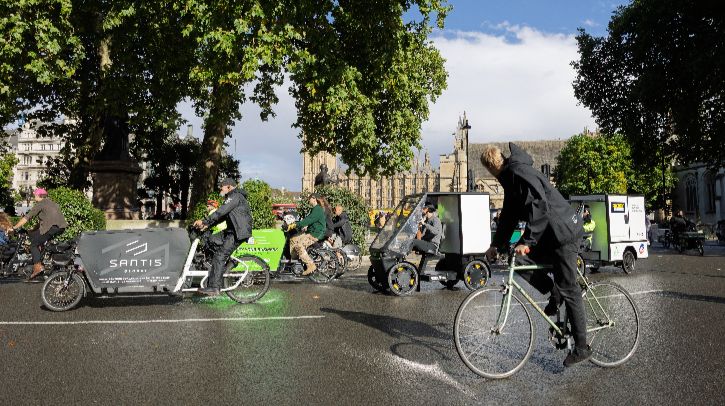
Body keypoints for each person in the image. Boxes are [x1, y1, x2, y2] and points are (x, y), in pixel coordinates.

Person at [481, 143, 590, 367]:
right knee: (519, 259)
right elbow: (509, 217)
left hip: (563, 233)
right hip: (549, 235)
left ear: (491, 167)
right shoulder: (511, 179)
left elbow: (539, 205)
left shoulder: (518, 172)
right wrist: (497, 245)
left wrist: (527, 241)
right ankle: (553, 292)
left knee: (570, 288)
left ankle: (581, 347)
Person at [193, 178, 252, 296]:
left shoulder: (235, 197)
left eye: (222, 187)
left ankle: (214, 288)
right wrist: (207, 225)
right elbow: (222, 217)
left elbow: (220, 211)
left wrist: (204, 221)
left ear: (229, 187)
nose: (220, 188)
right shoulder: (232, 197)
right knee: (210, 240)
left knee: (219, 256)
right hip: (232, 230)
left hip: (238, 232)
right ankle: (221, 267)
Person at [7, 188, 68, 281]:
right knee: (37, 238)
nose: (34, 196)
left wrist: (14, 227)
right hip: (60, 227)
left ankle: (38, 266)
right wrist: (32, 230)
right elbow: (44, 221)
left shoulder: (41, 204)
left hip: (52, 227)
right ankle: (41, 261)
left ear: (39, 196)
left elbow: (27, 217)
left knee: (34, 243)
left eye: (35, 195)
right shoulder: (51, 203)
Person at [287, 194, 327, 275]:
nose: (309, 200)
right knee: (293, 239)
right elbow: (307, 220)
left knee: (299, 246)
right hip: (310, 232)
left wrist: (296, 225)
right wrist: (295, 224)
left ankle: (310, 265)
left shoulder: (318, 209)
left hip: (315, 234)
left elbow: (308, 220)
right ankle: (295, 261)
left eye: (310, 199)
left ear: (314, 199)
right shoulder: (315, 209)